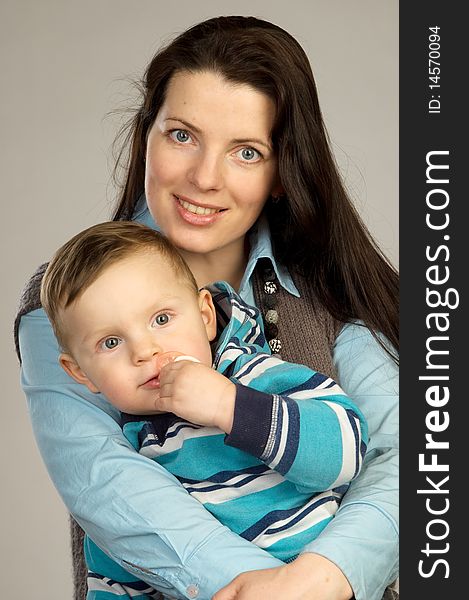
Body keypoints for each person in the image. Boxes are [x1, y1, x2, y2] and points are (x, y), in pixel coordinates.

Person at [15, 15, 398, 600]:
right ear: (147, 135)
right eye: (182, 135)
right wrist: (259, 591)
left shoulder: (330, 292)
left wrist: (319, 581)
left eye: (246, 151)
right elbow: (108, 486)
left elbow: (407, 459)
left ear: (279, 172)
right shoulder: (64, 303)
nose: (203, 178)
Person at [40, 220, 368, 598]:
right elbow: (121, 569)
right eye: (111, 342)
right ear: (81, 372)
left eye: (161, 319)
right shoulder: (130, 461)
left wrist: (228, 405)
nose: (145, 351)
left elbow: (346, 452)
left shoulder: (252, 377)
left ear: (206, 316)